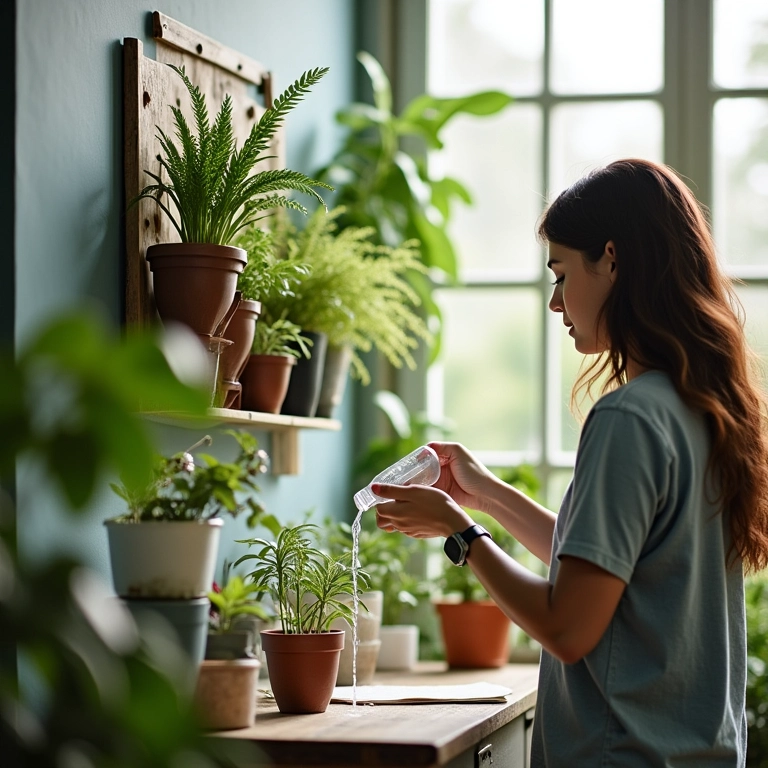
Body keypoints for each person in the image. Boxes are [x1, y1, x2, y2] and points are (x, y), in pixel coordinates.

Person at [372, 158, 768, 767]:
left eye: (560, 274)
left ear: (611, 258)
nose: (556, 302)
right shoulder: (705, 408)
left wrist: (460, 533)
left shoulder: (627, 418)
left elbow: (567, 627)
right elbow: (608, 568)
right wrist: (486, 495)